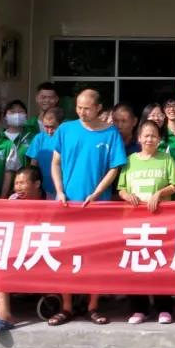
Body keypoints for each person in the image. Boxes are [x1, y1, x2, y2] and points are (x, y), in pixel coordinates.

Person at [50, 89, 127, 325]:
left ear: (98, 108)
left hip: (98, 206)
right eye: (79, 107)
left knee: (96, 258)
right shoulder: (66, 129)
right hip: (67, 205)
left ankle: (93, 306)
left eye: (87, 108)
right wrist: (59, 190)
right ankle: (66, 306)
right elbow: (55, 162)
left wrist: (97, 193)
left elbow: (115, 168)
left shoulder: (111, 133)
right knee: (65, 257)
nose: (82, 112)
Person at [118, 119, 175, 325]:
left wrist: (159, 193)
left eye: (154, 135)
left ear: (159, 139)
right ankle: (139, 309)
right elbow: (121, 188)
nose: (149, 139)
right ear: (139, 138)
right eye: (146, 135)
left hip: (160, 222)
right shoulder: (130, 160)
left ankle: (164, 308)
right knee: (136, 265)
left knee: (161, 264)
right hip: (135, 223)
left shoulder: (166, 159)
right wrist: (127, 196)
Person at [0, 165, 47, 335]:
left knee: (4, 261)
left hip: (39, 248)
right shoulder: (13, 199)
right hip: (15, 245)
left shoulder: (50, 200)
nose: (18, 187)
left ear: (37, 184)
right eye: (16, 183)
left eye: (22, 183)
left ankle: (6, 313)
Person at [25, 106, 64, 199]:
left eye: (53, 127)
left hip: (62, 188)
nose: (49, 131)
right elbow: (33, 165)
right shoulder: (39, 138)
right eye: (46, 126)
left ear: (61, 124)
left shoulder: (66, 138)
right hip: (43, 189)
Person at [2, 98, 36, 179]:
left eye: (20, 112)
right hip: (1, 182)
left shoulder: (32, 137)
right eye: (12, 112)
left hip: (25, 182)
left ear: (26, 116)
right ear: (5, 116)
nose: (17, 115)